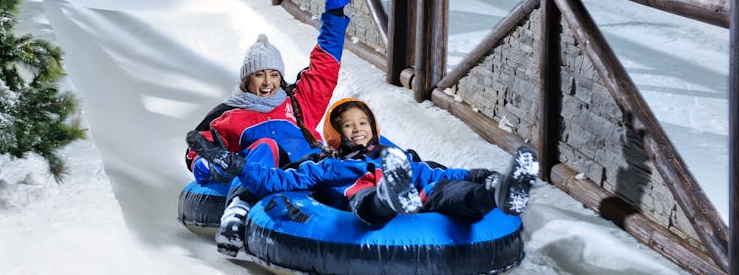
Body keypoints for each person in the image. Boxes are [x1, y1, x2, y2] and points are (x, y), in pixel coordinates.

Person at [183, 0, 352, 255]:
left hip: (309, 169)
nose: (267, 83)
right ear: (247, 79)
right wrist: (206, 164)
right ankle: (236, 216)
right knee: (266, 145)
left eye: (274, 75)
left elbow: (324, 68)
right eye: (259, 75)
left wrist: (335, 16)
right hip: (266, 174)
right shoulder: (228, 115)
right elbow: (201, 149)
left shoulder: (297, 103)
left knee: (346, 162)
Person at [188, 98, 540, 234]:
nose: (357, 129)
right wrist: (234, 165)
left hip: (417, 188)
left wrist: (477, 176)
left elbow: (434, 174)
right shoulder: (327, 164)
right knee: (369, 197)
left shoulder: (392, 156)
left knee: (446, 191)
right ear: (335, 136)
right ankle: (392, 197)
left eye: (363, 123)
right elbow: (278, 180)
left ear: (374, 128)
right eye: (348, 126)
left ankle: (499, 195)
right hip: (362, 196)